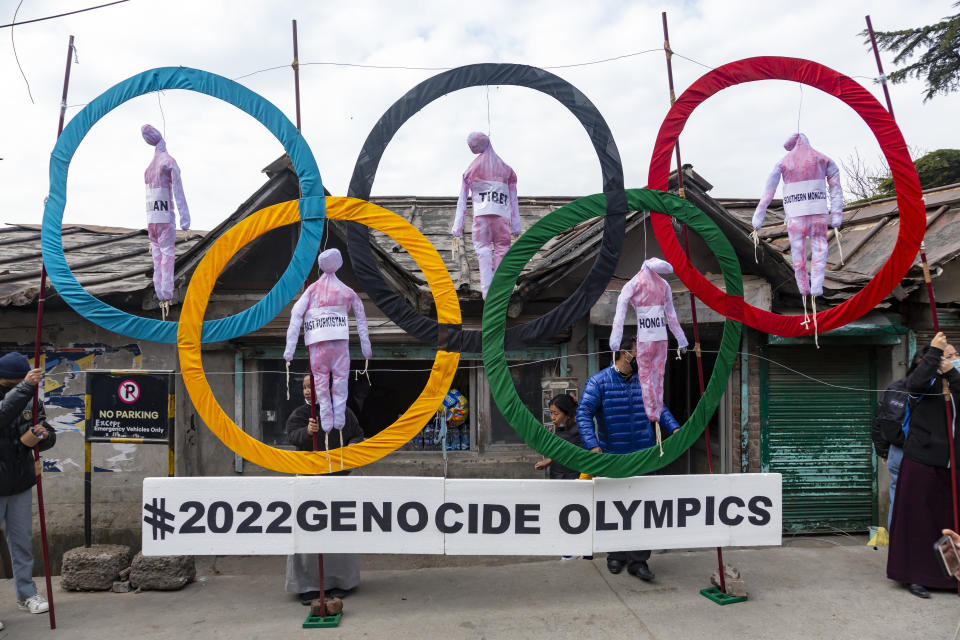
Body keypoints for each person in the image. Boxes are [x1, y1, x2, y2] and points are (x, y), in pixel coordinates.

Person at [576, 337, 681, 581]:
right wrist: (592, 446)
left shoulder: (646, 380)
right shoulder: (598, 382)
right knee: (615, 509)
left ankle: (639, 561)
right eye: (639, 352)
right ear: (624, 353)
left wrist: (675, 430)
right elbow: (583, 413)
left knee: (643, 510)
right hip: (613, 458)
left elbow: (659, 408)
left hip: (644, 457)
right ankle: (616, 555)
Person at [887, 332, 960, 598]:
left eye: (954, 355)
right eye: (947, 355)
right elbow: (914, 384)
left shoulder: (956, 381)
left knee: (950, 523)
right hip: (922, 461)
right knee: (917, 523)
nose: (951, 359)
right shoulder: (924, 382)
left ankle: (952, 576)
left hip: (953, 465)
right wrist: (933, 354)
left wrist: (952, 373)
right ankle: (914, 576)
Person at [285, 375, 365, 606]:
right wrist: (307, 433)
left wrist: (351, 449)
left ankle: (341, 582)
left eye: (313, 386)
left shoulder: (343, 413)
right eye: (305, 387)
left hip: (338, 482)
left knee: (338, 532)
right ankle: (308, 586)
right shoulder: (300, 415)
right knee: (307, 534)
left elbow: (357, 434)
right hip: (308, 482)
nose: (308, 391)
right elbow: (292, 436)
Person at [0, 353, 57, 626]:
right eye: (15, 381)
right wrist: (23, 388)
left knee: (22, 543)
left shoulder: (31, 398)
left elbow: (46, 429)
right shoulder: (21, 392)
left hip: (21, 481)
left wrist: (43, 435)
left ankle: (27, 594)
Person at [871, 351, 925, 527]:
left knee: (899, 499)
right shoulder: (932, 389)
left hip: (896, 451)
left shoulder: (894, 386)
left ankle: (897, 545)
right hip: (918, 452)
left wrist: (883, 451)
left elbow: (879, 419)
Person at [534, 394, 583, 480]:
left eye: (556, 414)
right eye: (551, 413)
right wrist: (548, 461)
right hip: (557, 475)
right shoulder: (560, 427)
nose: (552, 417)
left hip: (572, 479)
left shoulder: (578, 431)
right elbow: (560, 451)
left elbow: (569, 454)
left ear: (567, 414)